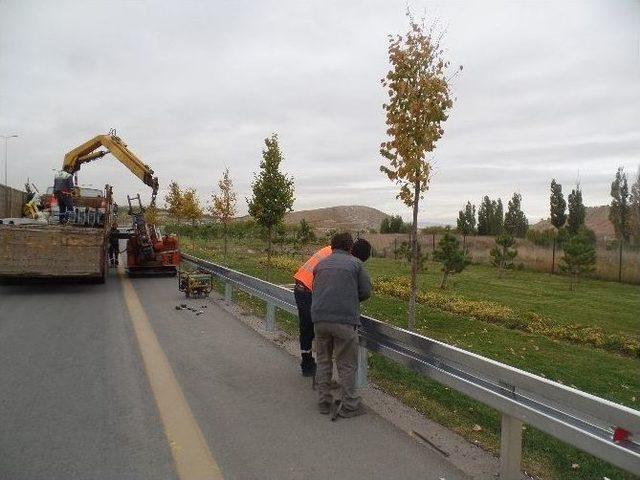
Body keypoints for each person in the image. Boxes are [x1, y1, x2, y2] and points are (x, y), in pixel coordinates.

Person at [292, 238, 372, 377]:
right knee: (316, 328)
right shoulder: (342, 260)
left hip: (302, 285)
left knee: (309, 329)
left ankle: (309, 364)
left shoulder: (333, 249)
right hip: (309, 290)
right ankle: (311, 366)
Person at [312, 232, 371, 418]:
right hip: (344, 321)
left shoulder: (320, 265)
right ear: (349, 247)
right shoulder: (356, 264)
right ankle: (350, 405)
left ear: (332, 246)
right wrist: (350, 298)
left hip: (320, 320)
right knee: (346, 364)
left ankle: (323, 402)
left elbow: (317, 289)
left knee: (323, 361)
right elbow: (365, 292)